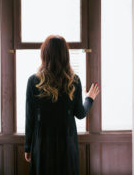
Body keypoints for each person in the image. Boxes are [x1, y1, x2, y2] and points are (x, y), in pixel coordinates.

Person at [24, 35, 100, 175]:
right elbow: (80, 113)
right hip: (67, 144)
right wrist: (89, 99)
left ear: (44, 54)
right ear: (65, 55)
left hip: (42, 145)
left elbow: (30, 118)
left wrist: (27, 148)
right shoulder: (74, 81)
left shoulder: (33, 81)